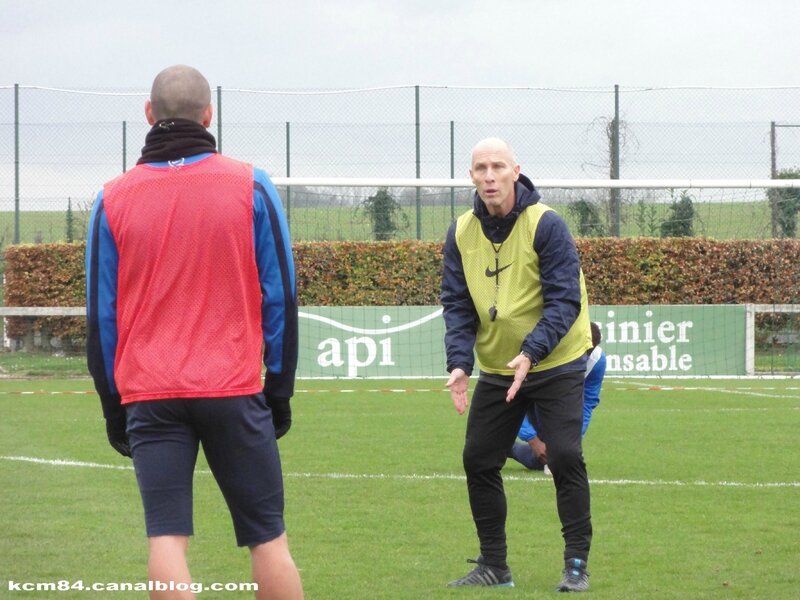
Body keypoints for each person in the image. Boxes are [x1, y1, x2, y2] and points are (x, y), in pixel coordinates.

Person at [85, 65, 303, 600]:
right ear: (210, 116)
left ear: (147, 115)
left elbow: (100, 317)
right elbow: (282, 297)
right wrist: (278, 389)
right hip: (231, 388)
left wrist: (114, 404)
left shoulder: (111, 198)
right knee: (268, 540)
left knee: (166, 538)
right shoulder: (251, 183)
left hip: (151, 394)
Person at [441, 137, 594, 592]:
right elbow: (457, 304)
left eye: (498, 167)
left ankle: (576, 564)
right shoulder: (460, 231)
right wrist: (458, 363)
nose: (489, 176)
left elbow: (565, 299)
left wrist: (532, 352)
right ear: (471, 176)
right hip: (500, 366)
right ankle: (494, 566)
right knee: (479, 459)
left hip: (557, 360)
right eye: (480, 168)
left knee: (564, 455)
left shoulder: (546, 225)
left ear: (515, 171)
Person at [508, 322, 606, 472]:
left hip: (557, 402)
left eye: (588, 352)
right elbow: (514, 397)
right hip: (529, 396)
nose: (584, 356)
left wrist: (574, 437)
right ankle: (502, 443)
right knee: (540, 448)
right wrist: (532, 440)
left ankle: (509, 448)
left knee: (546, 458)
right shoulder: (540, 351)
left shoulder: (597, 361)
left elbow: (588, 402)